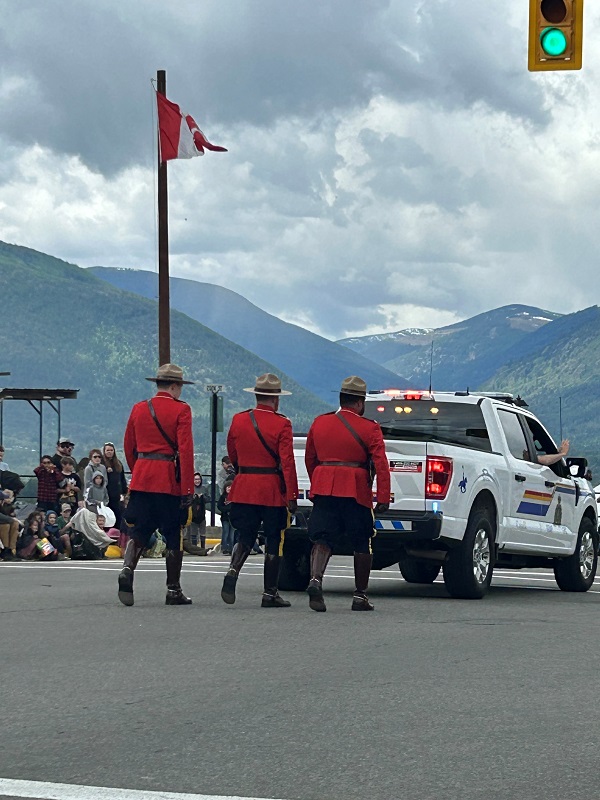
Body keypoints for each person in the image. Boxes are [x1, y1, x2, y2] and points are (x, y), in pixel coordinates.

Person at [304, 376, 391, 612]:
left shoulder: (319, 423)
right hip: (355, 490)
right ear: (360, 403)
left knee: (322, 538)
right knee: (362, 540)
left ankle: (315, 580)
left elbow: (310, 458)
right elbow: (381, 464)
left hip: (324, 488)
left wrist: (319, 481)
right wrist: (383, 496)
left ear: (341, 399)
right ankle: (360, 595)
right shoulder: (370, 428)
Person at [119, 363, 195, 606]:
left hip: (142, 477)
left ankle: (128, 570)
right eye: (180, 386)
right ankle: (173, 590)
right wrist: (187, 489)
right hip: (167, 480)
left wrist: (139, 468)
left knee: (139, 530)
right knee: (173, 533)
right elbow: (185, 451)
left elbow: (129, 446)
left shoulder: (139, 408)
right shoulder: (181, 410)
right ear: (174, 386)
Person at [220, 373, 298, 608]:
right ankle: (270, 593)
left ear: (256, 396)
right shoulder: (282, 423)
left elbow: (232, 453)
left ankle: (233, 570)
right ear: (276, 399)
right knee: (274, 538)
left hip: (244, 486)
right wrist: (292, 495)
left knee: (245, 535)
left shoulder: (239, 419)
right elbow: (287, 462)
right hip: (270, 489)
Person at [102, 442, 128, 529]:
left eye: (111, 450)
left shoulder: (118, 464)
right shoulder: (102, 464)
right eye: (107, 450)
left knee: (118, 516)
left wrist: (124, 492)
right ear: (104, 451)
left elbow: (122, 479)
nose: (109, 452)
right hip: (106, 495)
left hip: (117, 495)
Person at [183, 472, 206, 555]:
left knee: (203, 531)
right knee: (193, 532)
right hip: (192, 514)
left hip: (201, 513)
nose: (197, 481)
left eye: (198, 479)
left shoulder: (204, 488)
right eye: (195, 479)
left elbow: (208, 498)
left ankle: (202, 548)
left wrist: (202, 497)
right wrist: (194, 497)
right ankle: (195, 547)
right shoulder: (191, 489)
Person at [0, 488, 20, 561]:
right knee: (6, 525)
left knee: (14, 524)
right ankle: (5, 549)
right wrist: (12, 519)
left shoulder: (4, 507)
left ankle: (11, 549)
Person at [217, 477, 235, 555]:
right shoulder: (223, 497)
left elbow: (236, 507)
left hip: (233, 518)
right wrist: (226, 509)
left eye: (231, 487)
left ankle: (231, 549)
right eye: (228, 487)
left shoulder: (235, 497)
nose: (229, 489)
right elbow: (219, 506)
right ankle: (224, 548)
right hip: (225, 518)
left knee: (232, 535)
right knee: (225, 533)